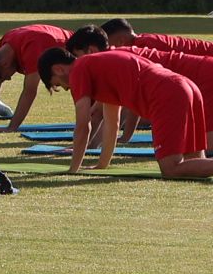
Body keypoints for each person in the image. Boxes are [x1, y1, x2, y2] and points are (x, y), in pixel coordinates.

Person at [37, 44, 213, 177]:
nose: (67, 88)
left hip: (167, 93)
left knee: (171, 168)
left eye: (59, 84)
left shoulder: (78, 71)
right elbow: (112, 123)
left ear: (58, 69)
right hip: (186, 86)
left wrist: (72, 169)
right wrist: (102, 164)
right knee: (191, 161)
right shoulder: (97, 66)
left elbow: (83, 125)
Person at [0, 23, 74, 128]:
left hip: (79, 52)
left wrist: (11, 128)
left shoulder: (31, 46)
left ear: (4, 64)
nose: (9, 78)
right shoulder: (3, 50)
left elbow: (30, 91)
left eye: (5, 77)